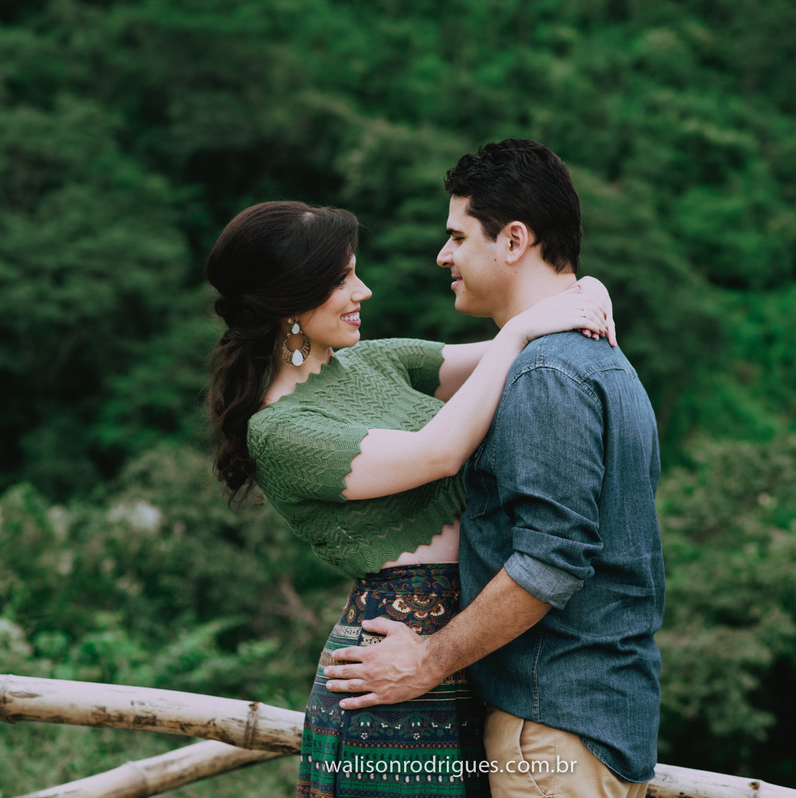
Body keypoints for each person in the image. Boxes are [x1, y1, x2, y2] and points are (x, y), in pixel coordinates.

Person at [203, 199, 614, 797]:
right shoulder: (280, 431)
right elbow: (438, 452)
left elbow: (523, 347)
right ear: (290, 302)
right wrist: (520, 328)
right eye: (342, 279)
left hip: (462, 654)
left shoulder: (374, 361)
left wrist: (589, 290)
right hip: (389, 678)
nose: (363, 291)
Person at [324, 139, 665, 798]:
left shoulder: (546, 373)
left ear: (513, 240)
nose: (442, 255)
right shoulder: (597, 360)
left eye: (458, 236)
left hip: (551, 732)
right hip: (586, 722)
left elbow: (551, 562)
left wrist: (427, 660)